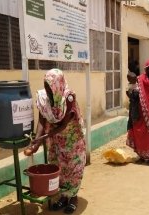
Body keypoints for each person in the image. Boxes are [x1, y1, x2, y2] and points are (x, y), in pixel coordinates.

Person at [24, 68, 86, 214]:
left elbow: (64, 124)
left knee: (73, 167)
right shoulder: (43, 98)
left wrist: (45, 136)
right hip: (56, 139)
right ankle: (64, 197)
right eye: (45, 85)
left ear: (58, 84)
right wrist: (36, 142)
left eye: (50, 85)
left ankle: (73, 198)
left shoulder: (68, 97)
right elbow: (41, 121)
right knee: (58, 167)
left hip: (72, 139)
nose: (47, 89)